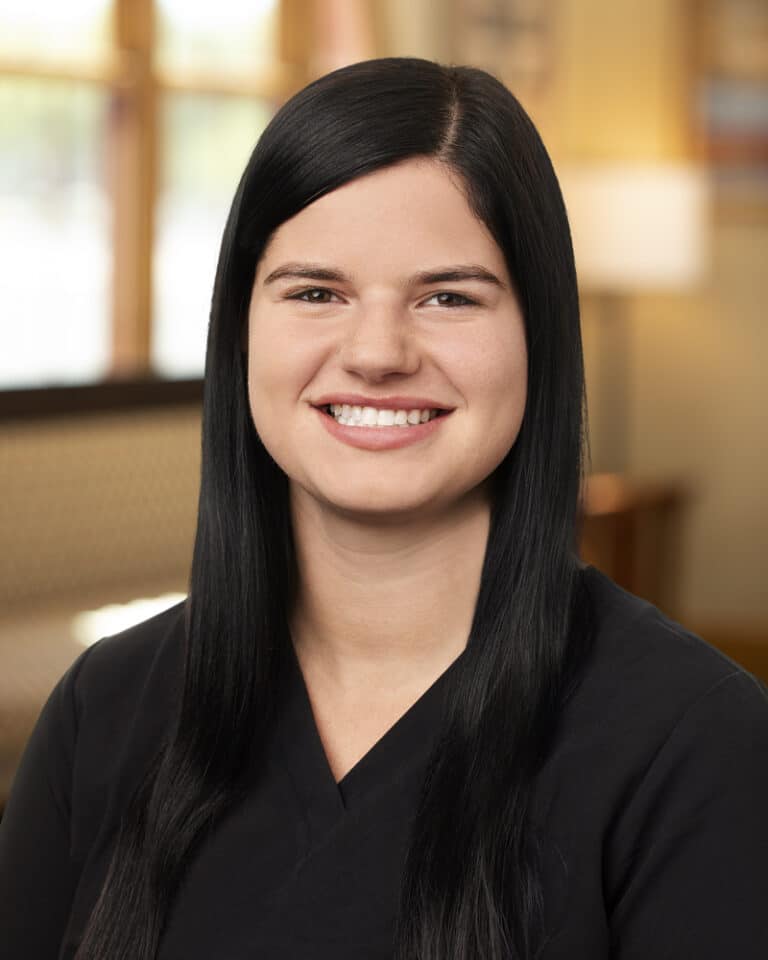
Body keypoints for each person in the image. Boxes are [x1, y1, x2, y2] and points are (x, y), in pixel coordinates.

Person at [1, 57, 766, 960]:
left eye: (447, 296)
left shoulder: (696, 741)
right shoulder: (107, 707)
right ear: (241, 326)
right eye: (316, 292)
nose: (376, 353)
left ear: (540, 333)